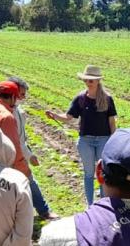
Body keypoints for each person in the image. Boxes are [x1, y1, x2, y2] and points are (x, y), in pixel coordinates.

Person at [46, 65, 118, 206]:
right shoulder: (80, 98)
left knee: (102, 174)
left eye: (91, 80)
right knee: (89, 174)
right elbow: (68, 117)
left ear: (98, 81)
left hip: (103, 140)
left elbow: (111, 121)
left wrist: (113, 140)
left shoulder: (107, 99)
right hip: (85, 141)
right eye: (86, 80)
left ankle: (104, 204)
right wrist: (55, 116)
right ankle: (90, 205)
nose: (88, 83)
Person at [8, 76, 58, 220]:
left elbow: (21, 138)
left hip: (19, 151)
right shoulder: (7, 113)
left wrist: (29, 154)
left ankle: (42, 211)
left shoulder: (18, 111)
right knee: (27, 180)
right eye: (21, 94)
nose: (23, 98)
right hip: (11, 154)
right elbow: (16, 139)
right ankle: (42, 211)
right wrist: (28, 156)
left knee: (27, 179)